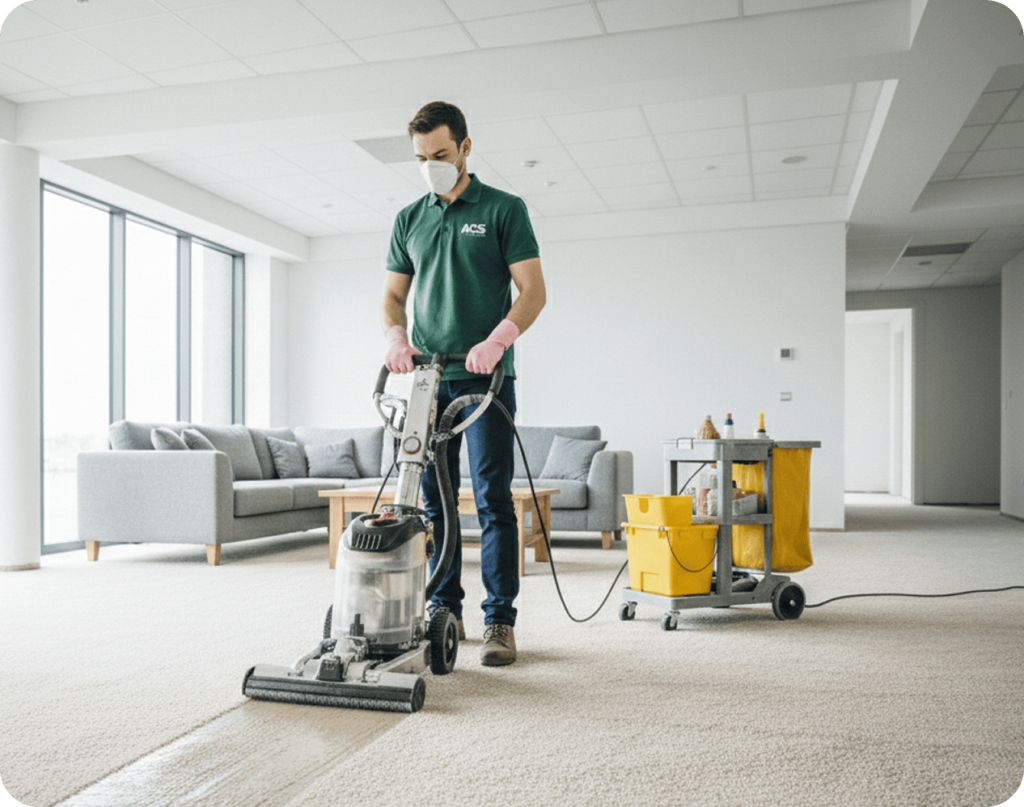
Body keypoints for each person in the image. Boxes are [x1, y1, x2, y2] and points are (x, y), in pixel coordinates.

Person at [381, 101, 546, 667]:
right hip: (427, 379)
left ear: (466, 148)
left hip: (485, 379)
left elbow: (532, 291)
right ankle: (442, 609)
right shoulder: (410, 218)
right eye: (422, 158)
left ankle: (499, 619)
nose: (432, 165)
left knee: (493, 499)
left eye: (442, 155)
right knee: (434, 501)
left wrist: (498, 338)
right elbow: (393, 295)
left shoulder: (503, 209)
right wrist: (396, 338)